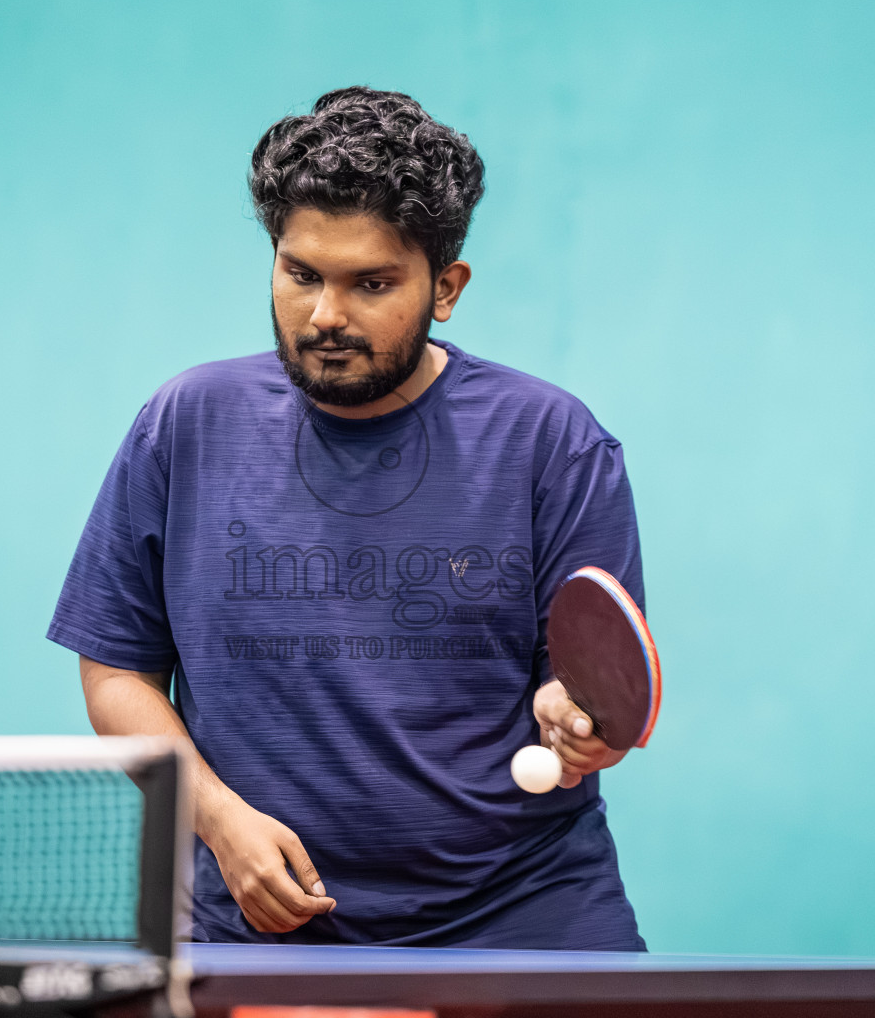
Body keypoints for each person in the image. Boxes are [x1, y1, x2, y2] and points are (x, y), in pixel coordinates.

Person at [49, 86, 647, 950]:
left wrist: (576, 721)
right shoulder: (186, 423)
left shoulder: (552, 440)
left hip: (522, 915)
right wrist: (216, 820)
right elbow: (116, 672)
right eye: (302, 275)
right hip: (254, 922)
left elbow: (589, 686)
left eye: (371, 283)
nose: (326, 316)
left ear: (446, 287)